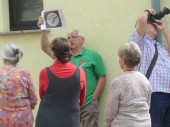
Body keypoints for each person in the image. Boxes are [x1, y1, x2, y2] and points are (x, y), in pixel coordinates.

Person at [37, 17, 106, 127]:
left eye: (74, 37)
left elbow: (102, 76)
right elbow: (45, 47)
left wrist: (94, 98)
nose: (71, 39)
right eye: (68, 37)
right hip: (68, 105)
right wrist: (43, 29)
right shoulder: (62, 56)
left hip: (88, 102)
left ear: (82, 39)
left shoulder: (93, 55)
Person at [129, 8, 170, 127]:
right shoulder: (138, 43)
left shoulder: (160, 47)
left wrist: (165, 30)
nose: (154, 24)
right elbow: (141, 20)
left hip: (168, 94)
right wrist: (148, 12)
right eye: (150, 22)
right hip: (153, 95)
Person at [36, 37, 86, 127]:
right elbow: (81, 100)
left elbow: (42, 96)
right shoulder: (80, 72)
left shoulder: (45, 72)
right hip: (71, 121)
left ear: (54, 54)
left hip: (46, 120)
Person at [105, 42, 152, 127]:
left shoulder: (118, 82)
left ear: (123, 60)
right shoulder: (145, 80)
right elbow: (147, 105)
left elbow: (110, 111)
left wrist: (108, 124)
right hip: (145, 123)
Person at [0, 43, 37, 127]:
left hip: (3, 120)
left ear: (4, 58)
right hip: (23, 120)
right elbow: (33, 99)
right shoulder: (25, 75)